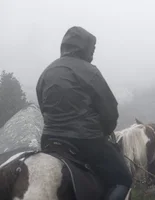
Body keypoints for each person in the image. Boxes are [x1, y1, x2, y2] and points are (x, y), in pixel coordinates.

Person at [36, 26, 132, 200]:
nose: (93, 54)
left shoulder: (46, 72)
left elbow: (43, 108)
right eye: (92, 49)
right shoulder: (90, 71)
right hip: (86, 141)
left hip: (50, 140)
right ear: (84, 48)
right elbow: (110, 111)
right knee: (123, 179)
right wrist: (104, 131)